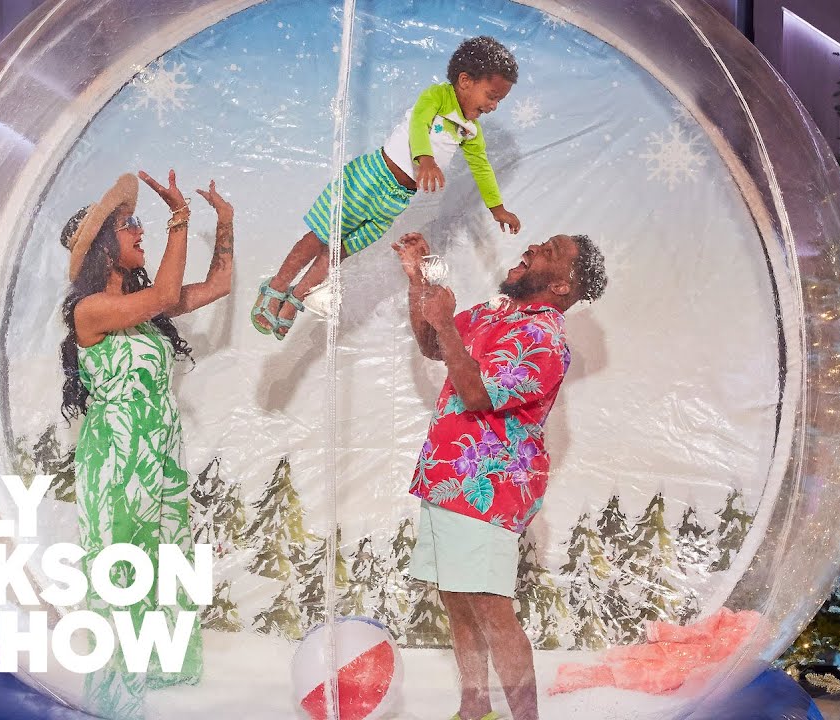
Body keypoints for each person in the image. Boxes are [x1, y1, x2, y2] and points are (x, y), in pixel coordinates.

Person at [392, 230, 607, 720]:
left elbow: (479, 396)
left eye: (548, 253)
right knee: (458, 598)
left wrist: (447, 326)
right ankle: (474, 709)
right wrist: (417, 281)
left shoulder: (545, 339)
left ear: (561, 286)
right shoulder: (494, 313)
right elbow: (432, 343)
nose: (533, 248)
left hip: (490, 488)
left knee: (491, 607)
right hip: (446, 479)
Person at [59, 170, 234, 718]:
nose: (141, 232)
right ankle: (114, 703)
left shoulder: (145, 313)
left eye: (139, 223)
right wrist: (178, 217)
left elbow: (219, 284)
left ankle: (163, 680)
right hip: (116, 456)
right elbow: (163, 292)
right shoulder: (89, 311)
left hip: (160, 452)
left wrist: (223, 223)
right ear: (103, 249)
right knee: (120, 572)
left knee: (165, 562)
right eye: (130, 226)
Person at [252, 36, 523, 339]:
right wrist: (425, 160)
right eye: (491, 95)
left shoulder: (470, 130)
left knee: (338, 250)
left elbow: (482, 166)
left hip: (396, 199)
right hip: (372, 177)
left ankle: (296, 298)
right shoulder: (437, 97)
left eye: (499, 100)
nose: (494, 105)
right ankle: (276, 286)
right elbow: (419, 124)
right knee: (321, 236)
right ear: (465, 81)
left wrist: (497, 208)